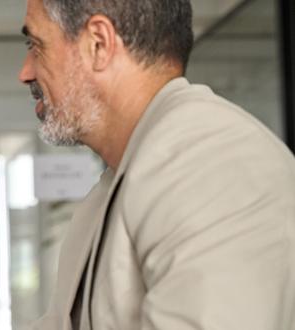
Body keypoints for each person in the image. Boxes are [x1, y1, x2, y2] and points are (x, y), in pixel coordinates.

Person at [18, 0, 295, 329]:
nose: (25, 73)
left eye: (36, 45)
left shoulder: (211, 163)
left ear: (98, 44)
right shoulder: (112, 190)